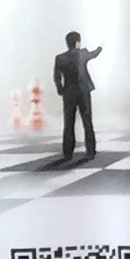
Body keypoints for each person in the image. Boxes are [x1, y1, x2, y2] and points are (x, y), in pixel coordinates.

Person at [54, 30, 102, 163]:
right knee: (87, 121)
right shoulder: (83, 53)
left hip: (69, 93)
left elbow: (56, 77)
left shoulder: (60, 58)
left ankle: (68, 153)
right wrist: (101, 46)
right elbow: (94, 54)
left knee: (68, 123)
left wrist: (60, 90)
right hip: (83, 92)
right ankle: (90, 151)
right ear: (77, 42)